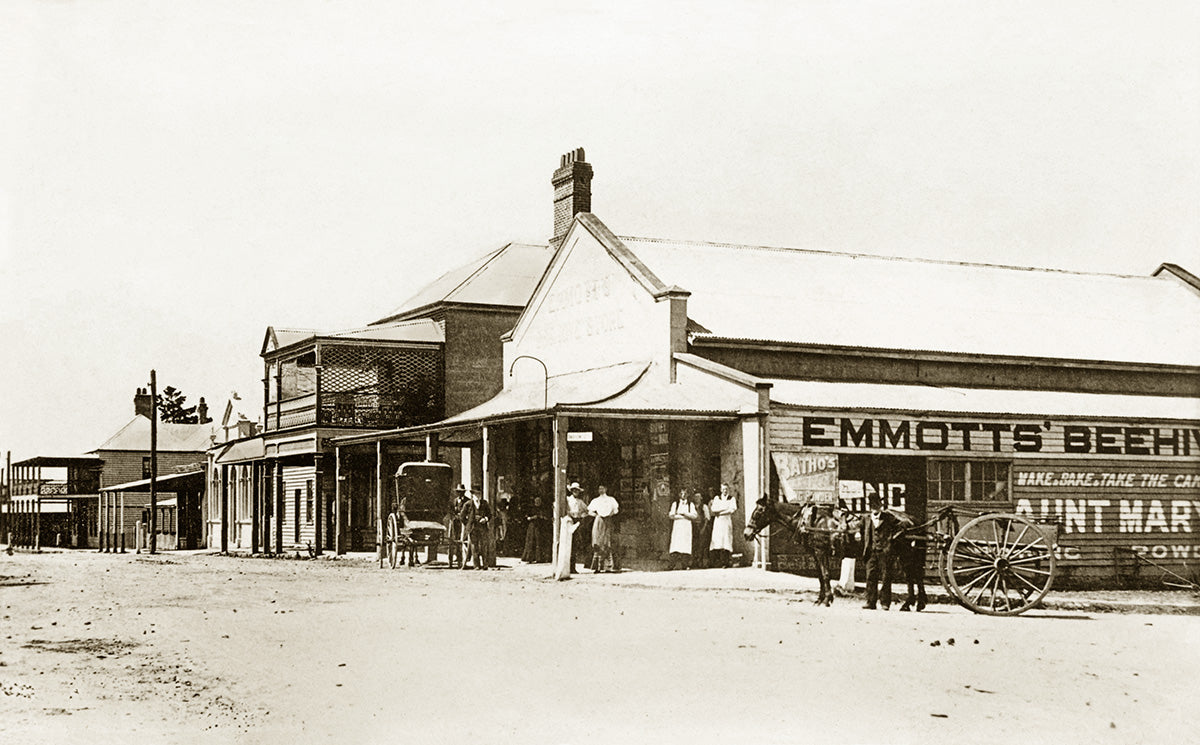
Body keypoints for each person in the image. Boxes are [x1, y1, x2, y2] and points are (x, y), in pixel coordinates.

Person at [862, 492, 903, 610]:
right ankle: (871, 602)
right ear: (870, 506)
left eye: (877, 504)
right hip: (871, 552)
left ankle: (885, 603)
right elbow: (859, 529)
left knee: (886, 577)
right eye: (872, 505)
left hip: (885, 552)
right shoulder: (866, 518)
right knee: (870, 576)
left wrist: (891, 539)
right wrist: (858, 534)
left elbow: (901, 527)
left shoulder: (888, 517)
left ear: (880, 505)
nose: (874, 507)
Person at [587, 485, 619, 573]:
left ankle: (608, 567)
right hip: (599, 521)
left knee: (607, 542)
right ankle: (597, 567)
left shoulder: (611, 499)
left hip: (607, 521)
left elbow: (616, 510)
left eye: (603, 488)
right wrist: (597, 516)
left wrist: (610, 514)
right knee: (597, 542)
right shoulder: (595, 500)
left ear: (606, 489)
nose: (601, 490)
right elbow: (589, 511)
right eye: (599, 488)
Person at [668, 488, 697, 569]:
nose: (683, 495)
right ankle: (672, 565)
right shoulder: (675, 504)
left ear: (687, 495)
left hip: (686, 527)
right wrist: (682, 517)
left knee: (685, 545)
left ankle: (685, 564)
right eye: (681, 493)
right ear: (679, 495)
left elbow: (694, 515)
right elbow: (671, 515)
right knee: (676, 545)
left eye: (685, 494)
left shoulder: (690, 504)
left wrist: (685, 513)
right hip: (678, 527)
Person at [708, 483, 737, 568]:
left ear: (729, 490)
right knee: (717, 540)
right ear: (721, 490)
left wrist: (720, 512)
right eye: (723, 489)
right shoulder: (717, 498)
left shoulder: (731, 499)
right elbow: (713, 509)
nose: (725, 491)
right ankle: (717, 562)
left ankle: (725, 562)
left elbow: (732, 510)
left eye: (726, 489)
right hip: (718, 522)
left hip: (726, 522)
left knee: (726, 540)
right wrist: (725, 509)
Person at [565, 482, 590, 574]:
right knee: (568, 543)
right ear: (571, 491)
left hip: (577, 521)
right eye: (574, 490)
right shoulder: (567, 499)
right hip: (569, 521)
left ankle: (573, 567)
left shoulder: (580, 502)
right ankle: (567, 566)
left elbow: (587, 510)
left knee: (575, 544)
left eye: (577, 490)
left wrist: (582, 515)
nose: (576, 492)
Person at [522, 495, 549, 563]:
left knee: (538, 541)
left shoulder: (542, 509)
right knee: (530, 540)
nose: (537, 502)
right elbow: (527, 517)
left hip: (539, 526)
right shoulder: (531, 509)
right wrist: (532, 517)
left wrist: (542, 517)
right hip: (532, 526)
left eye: (539, 501)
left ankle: (539, 558)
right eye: (536, 501)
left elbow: (545, 517)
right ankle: (529, 557)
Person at [691, 491, 711, 568]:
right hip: (694, 527)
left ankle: (702, 562)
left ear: (701, 498)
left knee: (702, 545)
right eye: (695, 497)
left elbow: (707, 518)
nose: (697, 499)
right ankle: (694, 562)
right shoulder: (692, 506)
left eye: (698, 497)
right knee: (694, 544)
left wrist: (703, 528)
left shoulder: (704, 506)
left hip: (702, 526)